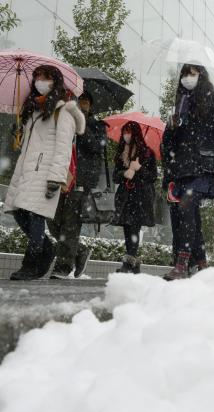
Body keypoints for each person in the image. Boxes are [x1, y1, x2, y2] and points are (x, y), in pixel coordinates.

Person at [4, 65, 85, 280]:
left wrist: (55, 178)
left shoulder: (63, 112)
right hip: (26, 172)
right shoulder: (34, 111)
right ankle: (47, 248)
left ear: (55, 82)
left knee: (36, 214)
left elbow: (63, 149)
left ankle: (31, 263)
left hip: (46, 173)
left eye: (46, 77)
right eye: (37, 76)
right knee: (20, 212)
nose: (40, 81)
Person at [161, 64, 214, 280]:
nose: (186, 78)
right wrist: (170, 128)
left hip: (204, 167)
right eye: (184, 74)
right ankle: (202, 265)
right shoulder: (180, 106)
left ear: (201, 76)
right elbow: (167, 147)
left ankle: (181, 264)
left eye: (191, 73)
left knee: (187, 208)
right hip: (182, 169)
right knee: (191, 216)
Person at [47, 91, 106, 279]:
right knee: (53, 221)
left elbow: (96, 147)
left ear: (91, 105)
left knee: (70, 226)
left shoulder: (97, 125)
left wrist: (83, 122)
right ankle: (79, 250)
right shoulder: (64, 119)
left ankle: (63, 267)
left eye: (86, 101)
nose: (82, 104)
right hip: (60, 176)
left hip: (79, 182)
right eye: (79, 100)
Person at [111, 121, 157, 274]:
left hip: (140, 197)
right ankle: (134, 263)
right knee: (126, 227)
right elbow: (114, 177)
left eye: (129, 132)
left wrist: (139, 169)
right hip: (125, 197)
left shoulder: (147, 153)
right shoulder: (121, 153)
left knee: (134, 228)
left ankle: (128, 263)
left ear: (135, 133)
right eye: (124, 131)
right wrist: (124, 173)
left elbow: (152, 177)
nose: (126, 135)